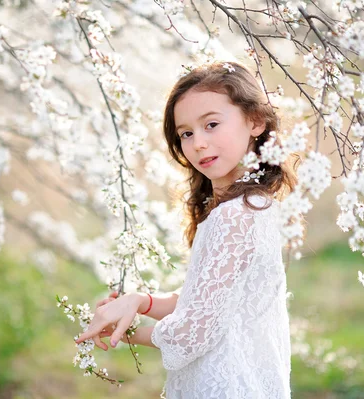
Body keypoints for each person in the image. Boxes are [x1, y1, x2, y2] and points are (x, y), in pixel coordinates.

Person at [75, 61, 297, 398]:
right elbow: (204, 301)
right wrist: (139, 302)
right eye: (186, 133)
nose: (198, 143)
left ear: (255, 120)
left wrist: (127, 331)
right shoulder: (255, 206)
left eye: (211, 124)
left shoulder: (236, 216)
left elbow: (194, 331)